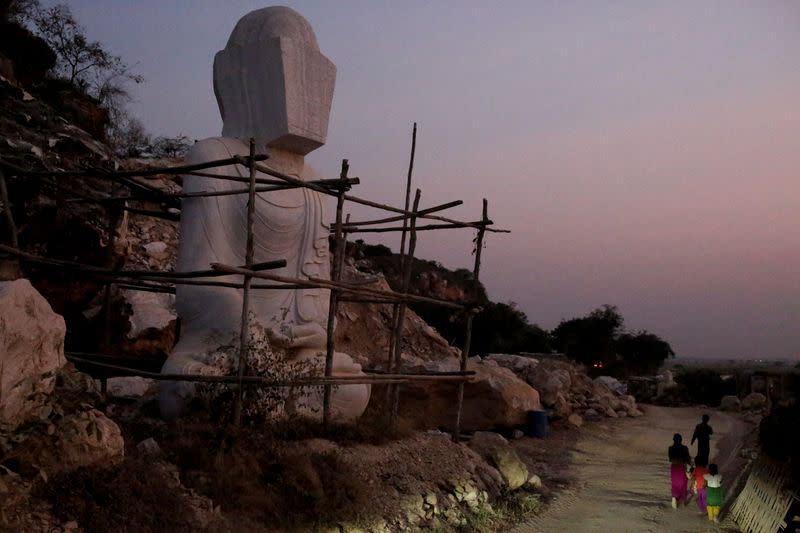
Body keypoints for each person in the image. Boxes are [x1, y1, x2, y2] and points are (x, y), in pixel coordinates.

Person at [668, 433, 692, 508]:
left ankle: (674, 497)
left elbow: (670, 459)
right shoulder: (684, 448)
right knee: (683, 483)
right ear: (681, 440)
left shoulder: (670, 448)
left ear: (674, 440)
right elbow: (688, 458)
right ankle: (683, 500)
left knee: (675, 483)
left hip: (674, 467)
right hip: (682, 467)